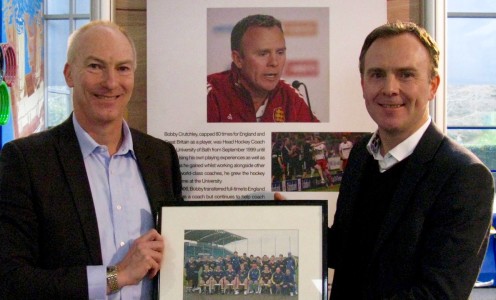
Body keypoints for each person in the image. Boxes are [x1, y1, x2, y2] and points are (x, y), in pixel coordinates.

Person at [0, 21, 183, 299]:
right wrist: (116, 276)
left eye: (122, 68)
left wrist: (270, 216)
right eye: (95, 66)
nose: (110, 83)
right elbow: (12, 280)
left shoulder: (161, 157)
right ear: (69, 74)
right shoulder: (26, 162)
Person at [326, 21, 494, 299]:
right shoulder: (360, 155)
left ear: (432, 86)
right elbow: (349, 249)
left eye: (405, 75)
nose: (390, 88)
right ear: (363, 84)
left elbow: (439, 293)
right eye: (377, 74)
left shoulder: (465, 176)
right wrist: (291, 222)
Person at [207, 14, 319, 122]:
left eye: (280, 52)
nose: (274, 62)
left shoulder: (290, 97)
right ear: (238, 59)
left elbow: (325, 139)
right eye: (263, 54)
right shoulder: (210, 96)